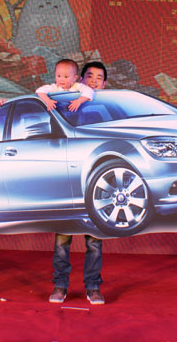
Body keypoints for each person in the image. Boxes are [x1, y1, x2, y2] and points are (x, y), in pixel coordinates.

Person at [49, 61, 107, 305]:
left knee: (94, 240)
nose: (94, 81)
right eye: (89, 76)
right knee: (63, 239)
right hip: (67, 176)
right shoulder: (65, 100)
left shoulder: (107, 110)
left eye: (99, 78)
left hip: (95, 178)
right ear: (79, 80)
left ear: (105, 84)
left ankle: (93, 287)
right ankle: (60, 285)